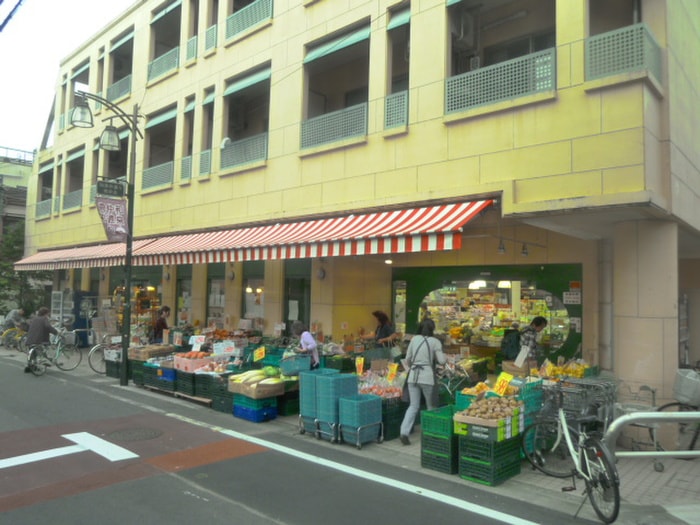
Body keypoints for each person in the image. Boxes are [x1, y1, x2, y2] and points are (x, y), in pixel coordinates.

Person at [399, 317, 447, 445]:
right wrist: (444, 356)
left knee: (413, 406)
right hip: (427, 377)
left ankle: (404, 432)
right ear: (432, 329)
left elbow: (408, 358)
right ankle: (431, 434)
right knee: (431, 406)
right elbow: (442, 361)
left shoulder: (414, 339)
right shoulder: (435, 342)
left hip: (413, 375)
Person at [24, 307, 58, 373]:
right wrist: (55, 332)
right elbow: (48, 327)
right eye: (48, 313)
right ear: (46, 313)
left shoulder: (34, 318)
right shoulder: (44, 319)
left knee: (33, 352)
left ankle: (30, 365)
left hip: (30, 338)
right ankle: (45, 361)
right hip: (40, 340)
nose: (48, 314)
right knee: (44, 349)